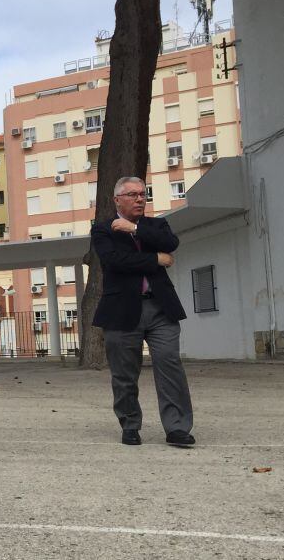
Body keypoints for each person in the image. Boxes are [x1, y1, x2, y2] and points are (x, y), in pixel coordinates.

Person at [91, 176, 194, 447]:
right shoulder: (102, 230)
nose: (140, 199)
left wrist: (135, 230)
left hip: (161, 308)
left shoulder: (155, 225)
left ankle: (177, 428)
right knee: (124, 374)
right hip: (121, 311)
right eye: (133, 195)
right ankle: (130, 424)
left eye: (143, 194)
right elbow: (115, 262)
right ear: (117, 200)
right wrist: (155, 259)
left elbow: (170, 243)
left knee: (170, 365)